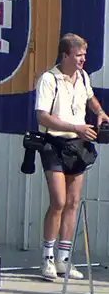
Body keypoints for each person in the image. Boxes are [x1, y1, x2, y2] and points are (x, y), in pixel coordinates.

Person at [34, 33, 109, 280]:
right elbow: (42, 117)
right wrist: (76, 127)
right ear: (65, 55)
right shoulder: (49, 79)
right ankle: (46, 258)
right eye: (78, 55)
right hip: (54, 143)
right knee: (58, 201)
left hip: (78, 145)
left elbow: (89, 98)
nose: (82, 60)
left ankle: (63, 259)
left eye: (84, 55)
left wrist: (99, 112)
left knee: (73, 202)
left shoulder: (83, 77)